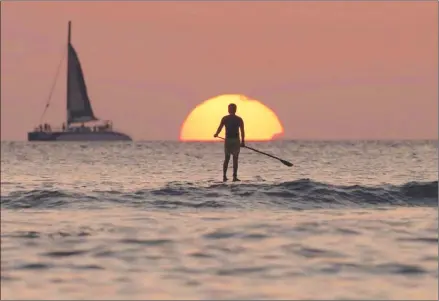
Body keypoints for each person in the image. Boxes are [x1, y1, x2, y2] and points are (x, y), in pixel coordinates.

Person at [213, 103, 245, 182]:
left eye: (230, 108)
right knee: (231, 159)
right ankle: (229, 176)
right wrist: (216, 133)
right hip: (231, 140)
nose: (229, 110)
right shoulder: (233, 119)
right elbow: (220, 127)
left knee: (230, 159)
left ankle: (230, 176)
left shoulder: (236, 119)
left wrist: (216, 134)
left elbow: (242, 131)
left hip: (233, 140)